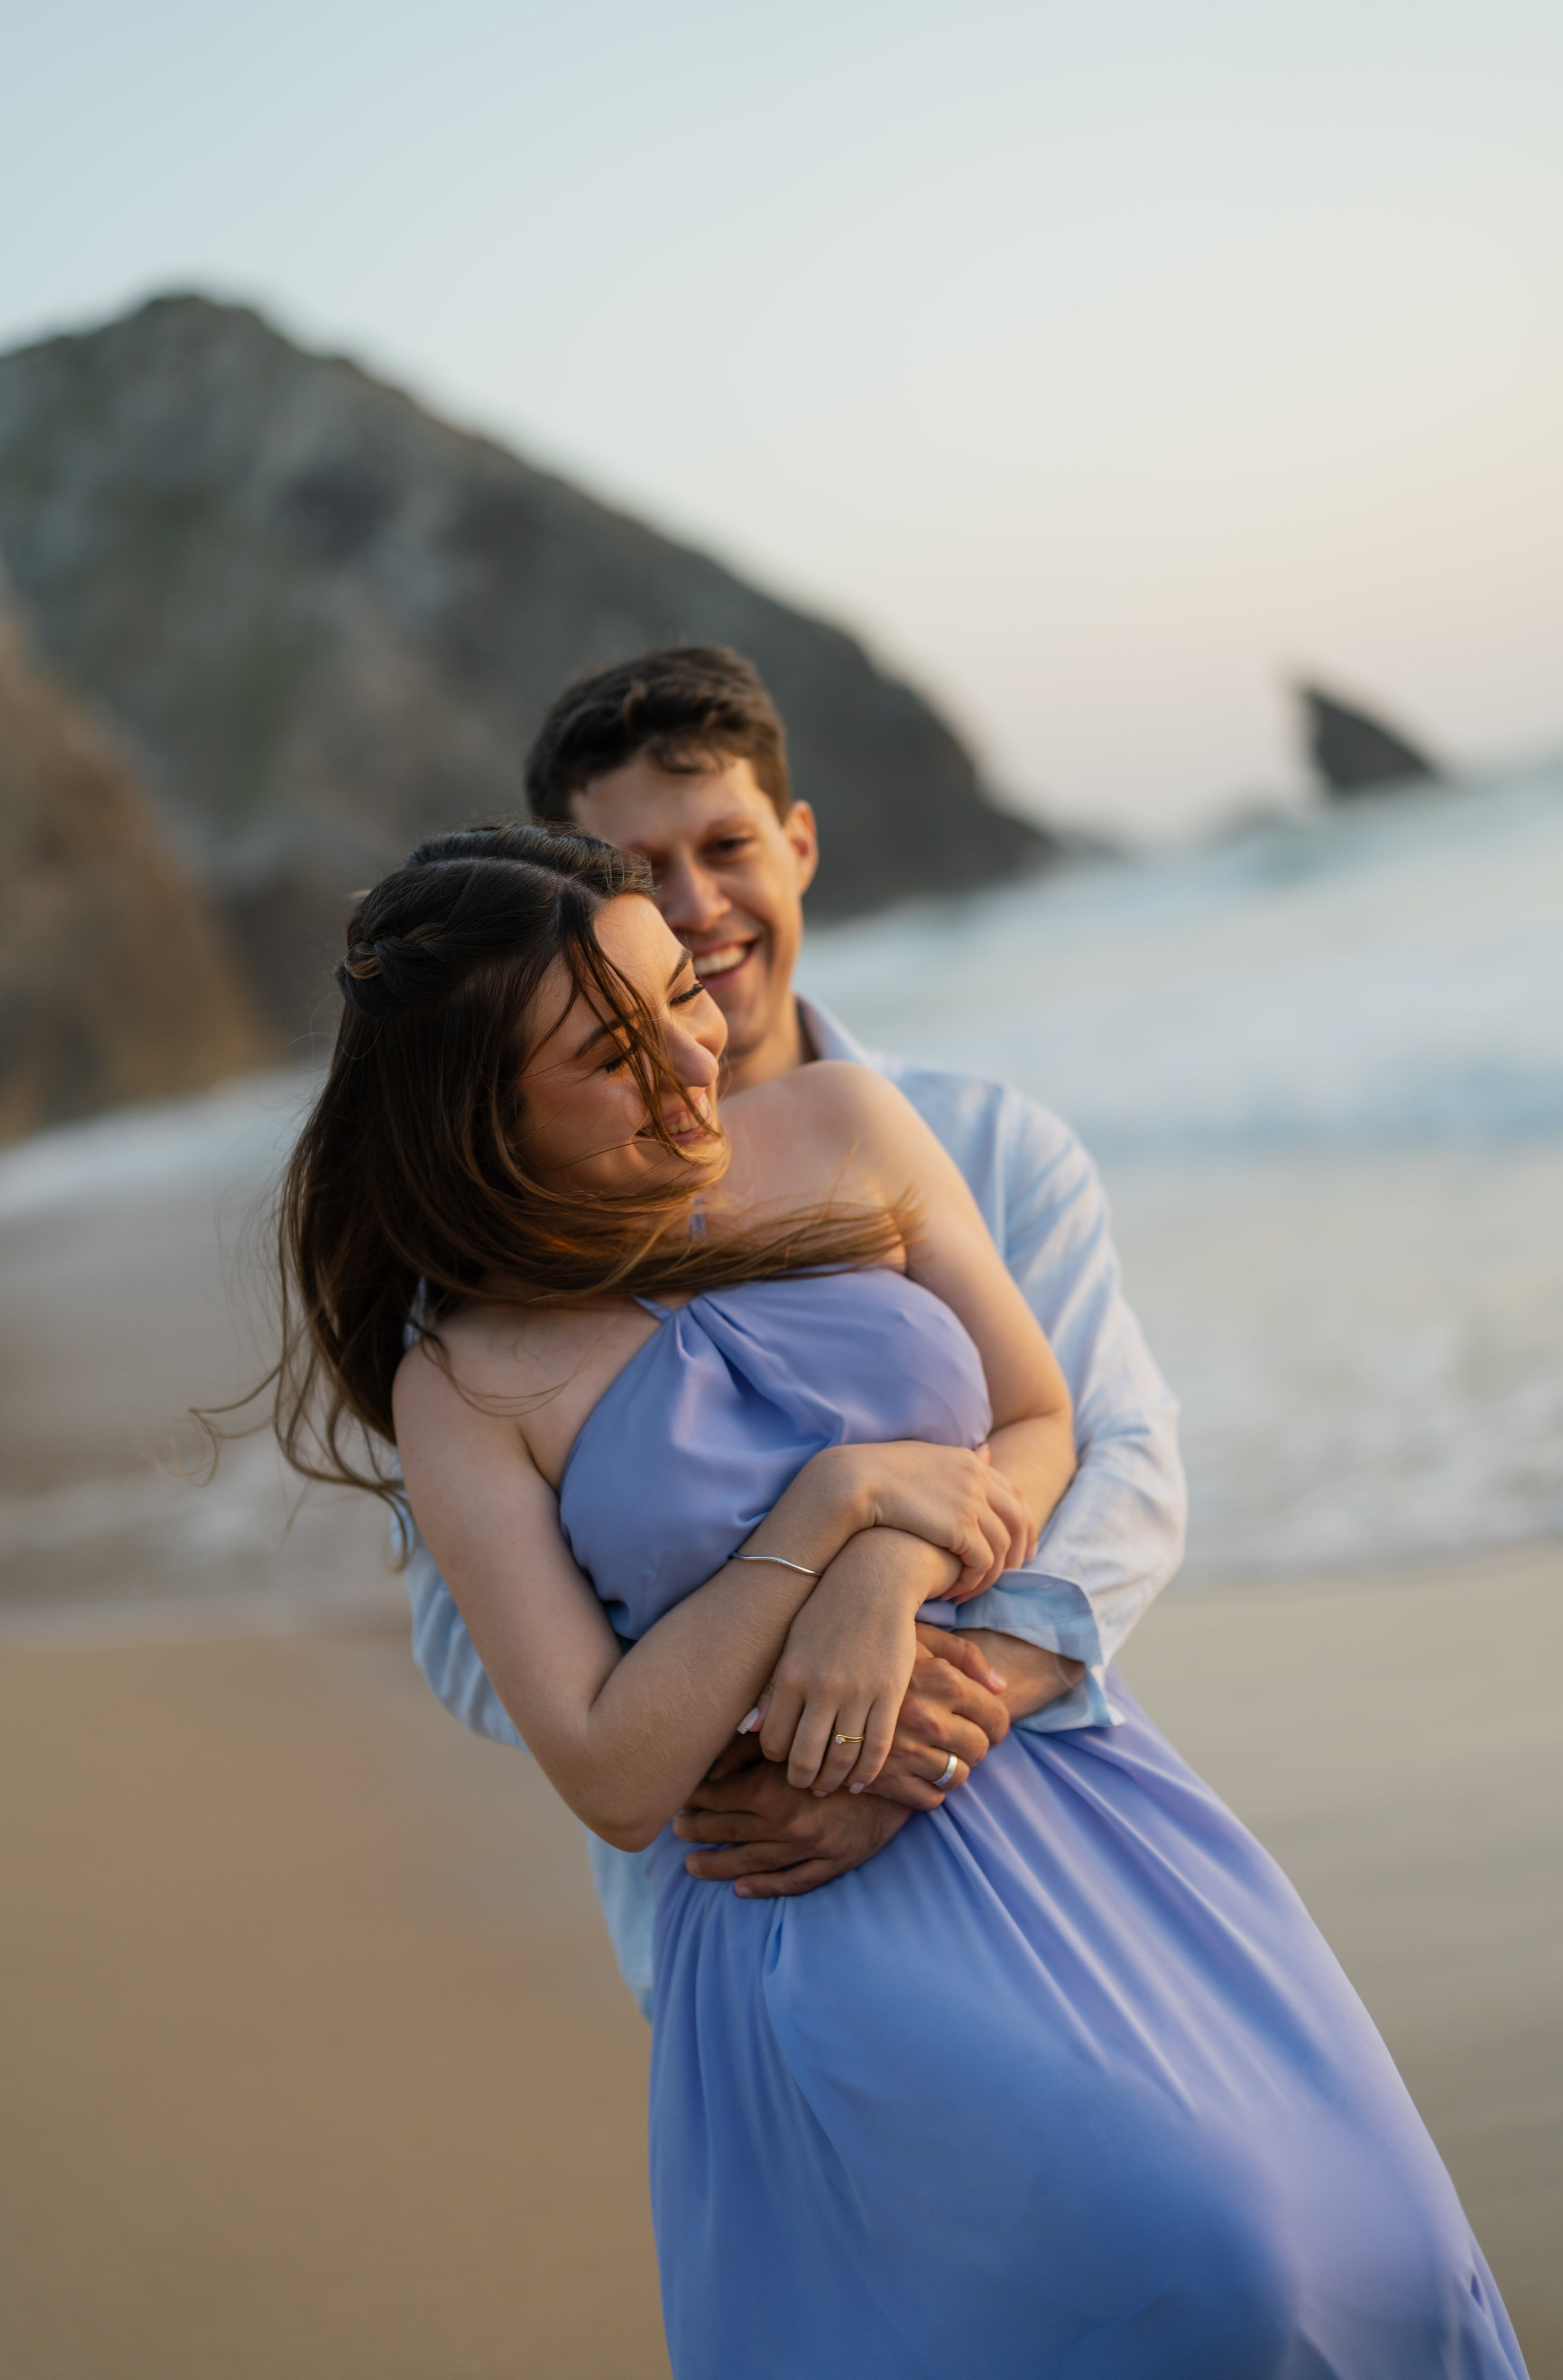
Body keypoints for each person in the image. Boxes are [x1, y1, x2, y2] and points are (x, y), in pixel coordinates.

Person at [274, 822, 1525, 2377]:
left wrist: (892, 1561)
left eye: (678, 994)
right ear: (483, 1121)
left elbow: (1038, 1418)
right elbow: (606, 1766)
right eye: (610, 1053)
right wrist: (831, 1504)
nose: (690, 1057)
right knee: (1205, 2272)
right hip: (809, 1900)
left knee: (1382, 2253)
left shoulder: (851, 1123)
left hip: (1078, 1796)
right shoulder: (465, 1382)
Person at [407, 646, 1186, 2011]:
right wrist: (784, 1731)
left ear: (798, 842)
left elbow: (1115, 1464)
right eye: (641, 870)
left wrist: (931, 1709)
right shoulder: (480, 1299)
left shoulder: (988, 1146)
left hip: (1031, 1783)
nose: (696, 907)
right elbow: (469, 1648)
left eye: (727, 844)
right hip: (750, 1873)